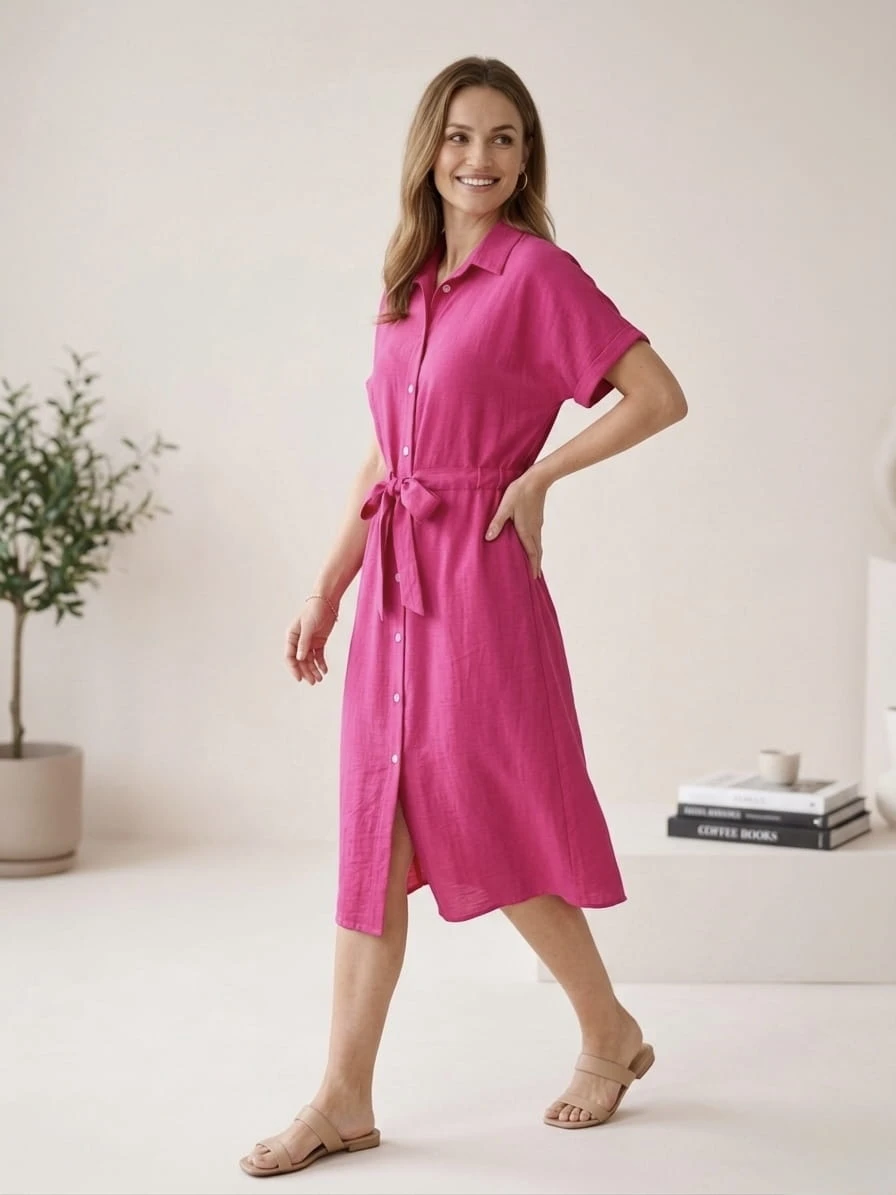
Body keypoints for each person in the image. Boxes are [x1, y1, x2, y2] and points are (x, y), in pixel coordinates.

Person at [240, 55, 688, 1178]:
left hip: (479, 585)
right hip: (396, 586)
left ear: (525, 157)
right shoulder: (407, 281)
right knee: (377, 833)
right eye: (457, 135)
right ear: (427, 151)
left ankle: (608, 1030)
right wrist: (328, 584)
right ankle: (343, 1096)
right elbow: (386, 452)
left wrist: (538, 478)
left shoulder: (537, 273)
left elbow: (657, 394)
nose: (477, 158)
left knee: (485, 813)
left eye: (501, 137)